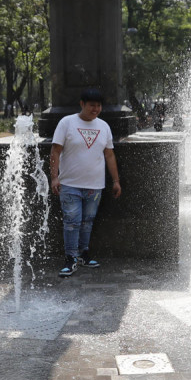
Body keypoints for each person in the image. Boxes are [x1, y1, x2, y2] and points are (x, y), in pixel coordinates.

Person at [50, 89, 122, 277]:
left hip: (95, 186)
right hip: (69, 184)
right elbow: (55, 151)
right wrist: (54, 177)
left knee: (87, 222)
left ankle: (83, 254)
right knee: (72, 222)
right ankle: (70, 258)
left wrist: (116, 180)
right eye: (92, 105)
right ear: (82, 104)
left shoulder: (104, 126)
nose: (95, 109)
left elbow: (109, 154)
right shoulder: (66, 123)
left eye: (98, 106)